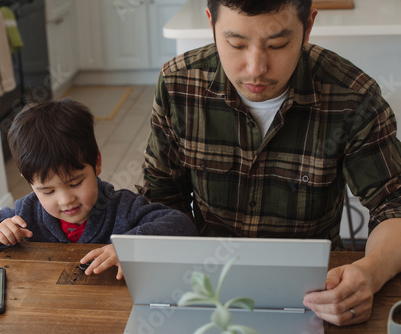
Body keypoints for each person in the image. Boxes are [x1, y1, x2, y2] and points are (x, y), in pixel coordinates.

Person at [140, 0, 401, 326]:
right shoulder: (179, 86)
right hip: (203, 288)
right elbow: (161, 196)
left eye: (277, 45)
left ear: (308, 28)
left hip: (314, 295)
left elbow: (394, 204)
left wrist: (369, 272)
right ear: (211, 23)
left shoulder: (352, 97)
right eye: (236, 44)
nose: (255, 68)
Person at [0, 99, 197, 280]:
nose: (65, 199)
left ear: (96, 162)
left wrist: (130, 246)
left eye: (75, 183)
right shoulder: (27, 212)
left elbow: (181, 225)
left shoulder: (123, 207)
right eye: (48, 191)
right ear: (29, 182)